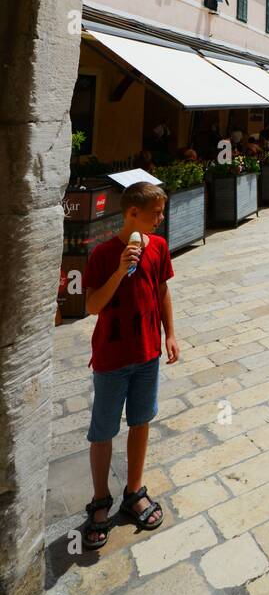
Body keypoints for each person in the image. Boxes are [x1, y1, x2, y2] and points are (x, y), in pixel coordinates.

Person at [80, 182, 180, 550]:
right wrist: (121, 270)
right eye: (155, 213)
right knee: (103, 429)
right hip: (111, 357)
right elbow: (92, 306)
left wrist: (170, 334)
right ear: (132, 213)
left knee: (141, 421)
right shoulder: (104, 253)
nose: (161, 218)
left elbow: (162, 292)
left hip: (147, 353)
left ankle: (134, 489)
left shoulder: (159, 247)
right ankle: (100, 499)